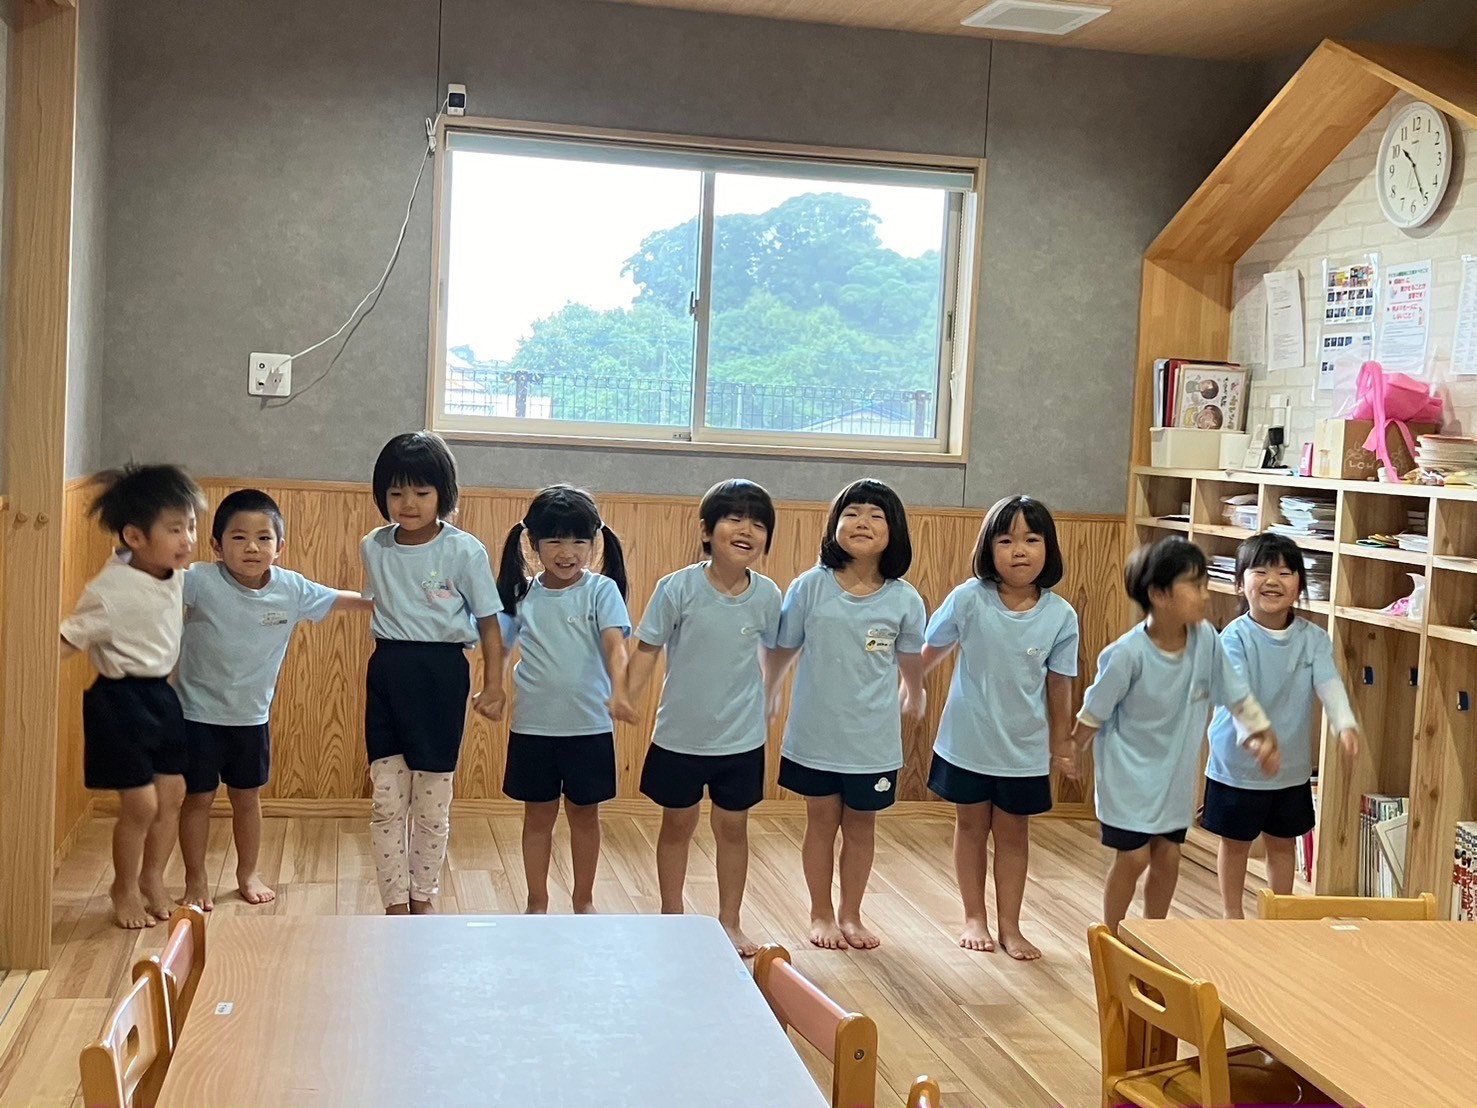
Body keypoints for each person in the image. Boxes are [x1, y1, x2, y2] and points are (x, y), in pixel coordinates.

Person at [1073, 536, 1280, 934]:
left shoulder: (1206, 641)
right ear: (1159, 594)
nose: (1205, 595)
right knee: (1134, 858)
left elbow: (1235, 693)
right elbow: (1095, 710)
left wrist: (1258, 734)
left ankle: (1154, 936)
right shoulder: (1127, 654)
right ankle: (1111, 937)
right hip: (1127, 780)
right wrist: (1071, 749)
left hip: (1173, 780)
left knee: (1168, 858)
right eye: (1195, 586)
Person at [176, 489, 371, 909]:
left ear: (279, 546)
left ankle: (248, 873)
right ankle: (195, 879)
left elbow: (344, 600)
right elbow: (155, 587)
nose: (252, 547)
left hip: (251, 718)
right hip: (196, 714)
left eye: (263, 538)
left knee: (247, 798)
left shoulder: (291, 588)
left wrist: (395, 602)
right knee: (198, 799)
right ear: (216, 546)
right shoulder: (200, 581)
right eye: (239, 537)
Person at [764, 478, 926, 950]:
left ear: (894, 531)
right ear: (834, 525)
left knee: (861, 825)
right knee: (820, 822)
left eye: (876, 515)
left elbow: (910, 656)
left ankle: (851, 914)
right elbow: (784, 648)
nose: (862, 522)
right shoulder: (809, 587)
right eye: (852, 513)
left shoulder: (904, 598)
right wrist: (769, 690)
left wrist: (915, 691)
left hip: (872, 739)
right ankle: (820, 913)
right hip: (816, 734)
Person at [627, 479, 781, 957]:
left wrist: (773, 695)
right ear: (706, 530)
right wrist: (626, 696)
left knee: (733, 829)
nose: (747, 530)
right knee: (677, 825)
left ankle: (730, 922)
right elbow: (647, 648)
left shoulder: (768, 595)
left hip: (741, 739)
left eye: (758, 524)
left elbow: (776, 653)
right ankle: (672, 915)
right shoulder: (677, 587)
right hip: (680, 736)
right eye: (735, 518)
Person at [921, 495, 1078, 960]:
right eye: (1006, 540)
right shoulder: (968, 598)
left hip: (1023, 749)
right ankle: (974, 916)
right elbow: (928, 654)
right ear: (989, 549)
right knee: (970, 826)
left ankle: (1011, 925)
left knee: (1013, 834)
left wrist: (1062, 744)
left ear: (1048, 548)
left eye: (1032, 539)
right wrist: (903, 690)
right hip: (967, 741)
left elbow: (1060, 685)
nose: (1019, 551)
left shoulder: (1061, 615)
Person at [360, 431, 502, 915]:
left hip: (441, 675)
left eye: (422, 492)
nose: (408, 503)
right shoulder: (373, 546)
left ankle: (423, 898)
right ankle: (393, 903)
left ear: (444, 493)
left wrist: (495, 684)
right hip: (387, 671)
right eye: (396, 492)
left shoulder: (464, 551)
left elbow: (488, 621)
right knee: (385, 799)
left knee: (432, 803)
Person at [60, 464, 205, 929]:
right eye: (175, 529)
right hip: (119, 701)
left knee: (172, 793)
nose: (188, 539)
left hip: (161, 696)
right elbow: (69, 637)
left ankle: (151, 878)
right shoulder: (109, 591)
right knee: (141, 805)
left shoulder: (172, 572)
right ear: (135, 537)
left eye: (191, 526)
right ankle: (122, 887)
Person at [495, 485, 634, 915]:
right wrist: (492, 687)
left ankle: (583, 900)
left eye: (578, 540)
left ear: (594, 542)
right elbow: (498, 648)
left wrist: (621, 689)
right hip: (533, 728)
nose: (567, 552)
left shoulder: (601, 591)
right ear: (533, 543)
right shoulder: (522, 595)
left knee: (584, 816)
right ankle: (536, 901)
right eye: (554, 539)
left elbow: (615, 645)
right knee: (537, 818)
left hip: (588, 727)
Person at [1204, 533, 1359, 917]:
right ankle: (1232, 915)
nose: (1272, 580)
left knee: (1283, 841)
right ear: (1240, 583)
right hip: (1236, 765)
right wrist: (1257, 739)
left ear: (1300, 586)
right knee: (1235, 843)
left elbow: (1329, 683)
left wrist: (1344, 724)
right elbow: (1237, 695)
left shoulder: (1313, 639)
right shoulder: (1233, 638)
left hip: (1289, 767)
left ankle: (1279, 914)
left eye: (1285, 573)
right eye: (1260, 571)